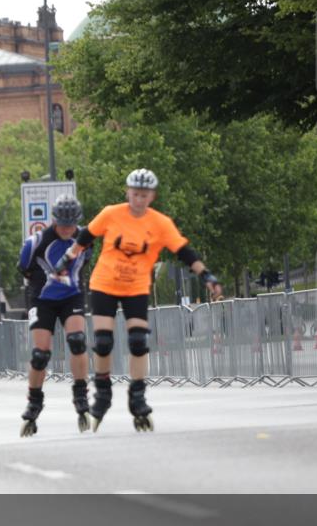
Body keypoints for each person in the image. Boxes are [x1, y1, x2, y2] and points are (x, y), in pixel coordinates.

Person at [54, 169, 222, 431]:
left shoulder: (160, 223)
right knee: (103, 341)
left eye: (144, 196)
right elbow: (86, 237)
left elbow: (184, 252)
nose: (139, 200)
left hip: (136, 287)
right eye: (135, 194)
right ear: (127, 192)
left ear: (151, 196)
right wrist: (67, 258)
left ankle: (138, 395)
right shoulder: (111, 213)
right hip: (105, 284)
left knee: (138, 342)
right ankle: (103, 393)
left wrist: (207, 275)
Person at [17, 194, 92, 436]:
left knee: (77, 341)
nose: (67, 230)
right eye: (63, 225)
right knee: (40, 354)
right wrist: (46, 282)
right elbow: (24, 269)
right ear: (54, 220)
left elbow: (85, 262)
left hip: (72, 296)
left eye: (71, 225)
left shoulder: (85, 239)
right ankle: (34, 401)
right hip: (42, 298)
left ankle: (81, 395)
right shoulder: (35, 242)